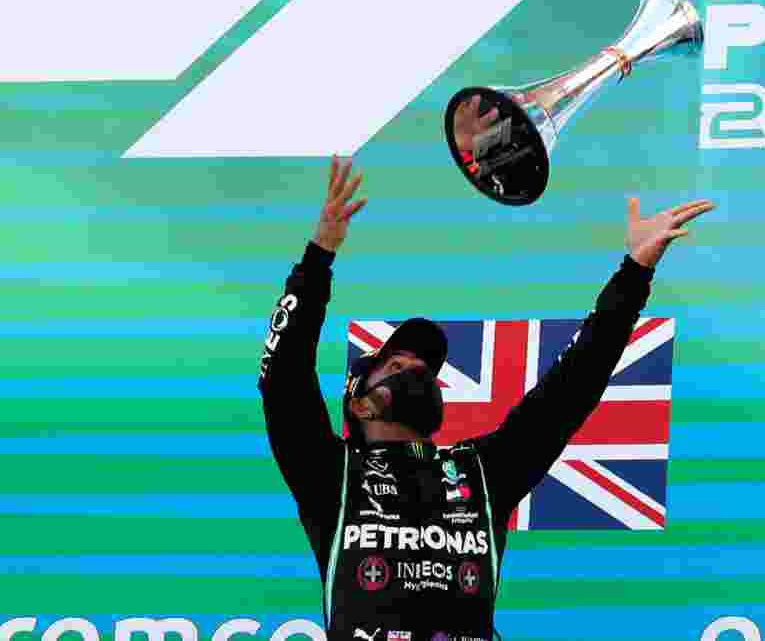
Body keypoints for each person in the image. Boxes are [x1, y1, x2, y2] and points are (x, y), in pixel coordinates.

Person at [258, 154, 714, 640]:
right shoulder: (330, 473)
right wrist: (318, 257)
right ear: (361, 404)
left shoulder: (483, 469)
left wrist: (633, 273)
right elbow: (283, 378)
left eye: (426, 370)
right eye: (396, 366)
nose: (417, 368)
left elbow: (573, 387)